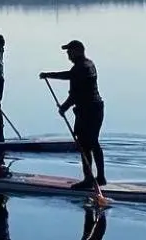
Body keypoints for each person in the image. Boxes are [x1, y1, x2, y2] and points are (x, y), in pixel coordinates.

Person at [40, 39, 105, 189]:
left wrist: (64, 108)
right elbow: (69, 76)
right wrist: (49, 75)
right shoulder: (88, 64)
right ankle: (100, 177)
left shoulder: (80, 68)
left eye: (70, 51)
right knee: (93, 142)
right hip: (96, 108)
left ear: (78, 51)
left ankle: (89, 179)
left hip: (88, 111)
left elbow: (74, 94)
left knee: (85, 144)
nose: (68, 54)